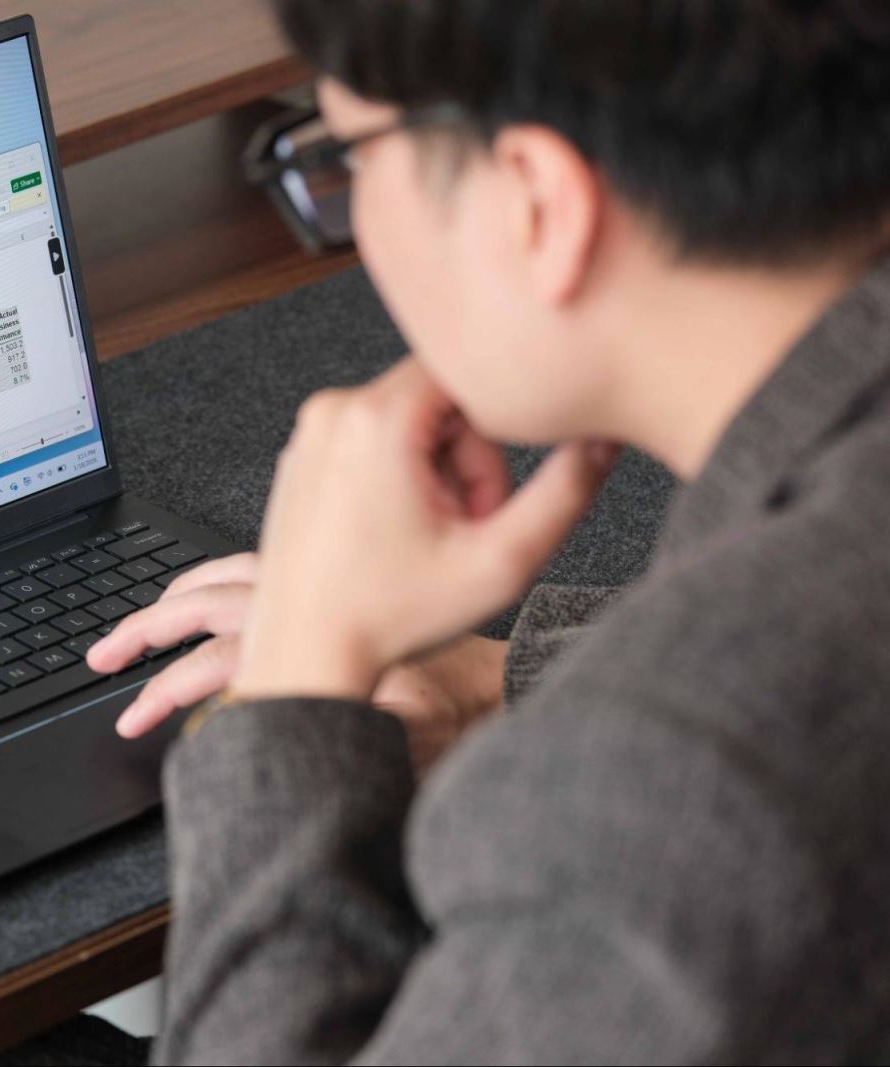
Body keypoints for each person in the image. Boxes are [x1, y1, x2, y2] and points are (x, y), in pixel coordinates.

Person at [78, 1, 890, 1062]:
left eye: (349, 158)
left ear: (535, 203)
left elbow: (737, 735)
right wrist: (498, 677)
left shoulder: (669, 783)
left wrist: (299, 676)